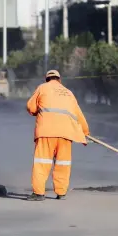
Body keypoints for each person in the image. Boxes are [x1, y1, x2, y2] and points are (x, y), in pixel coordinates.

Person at [26, 70, 90, 201]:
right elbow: (79, 114)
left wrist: (36, 111)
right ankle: (61, 192)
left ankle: (39, 193)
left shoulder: (42, 87)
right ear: (59, 80)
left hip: (46, 132)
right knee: (63, 163)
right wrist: (85, 132)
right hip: (66, 133)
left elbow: (31, 107)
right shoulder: (68, 93)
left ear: (47, 79)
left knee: (42, 162)